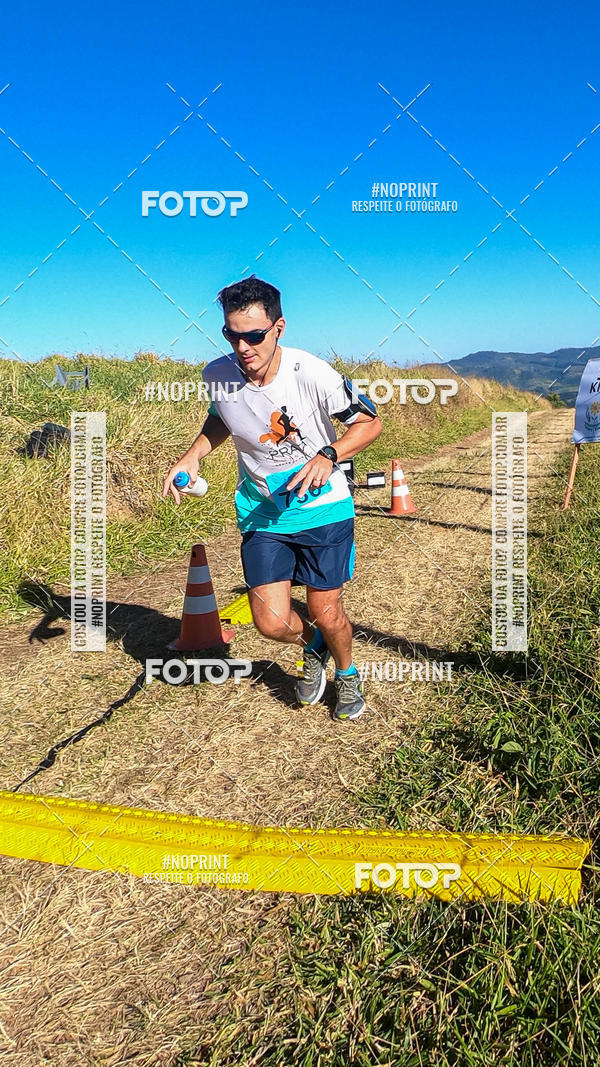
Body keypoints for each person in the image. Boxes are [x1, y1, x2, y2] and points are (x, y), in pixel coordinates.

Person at [163, 276, 382, 721]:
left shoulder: (311, 372)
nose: (243, 347)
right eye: (232, 334)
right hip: (262, 512)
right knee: (271, 623)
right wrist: (192, 456)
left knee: (325, 609)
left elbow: (369, 423)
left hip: (322, 507)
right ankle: (313, 649)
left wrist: (329, 455)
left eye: (254, 336)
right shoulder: (218, 376)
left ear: (279, 327)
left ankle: (348, 672)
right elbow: (221, 420)